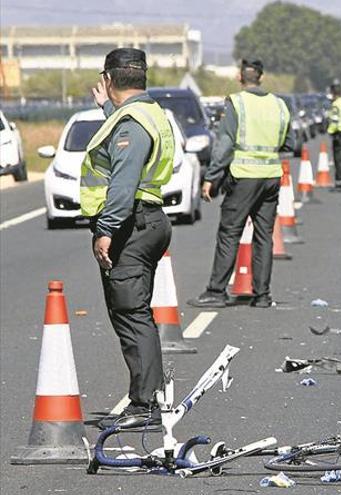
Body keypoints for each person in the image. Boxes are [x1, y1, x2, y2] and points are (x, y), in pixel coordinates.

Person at [81, 48, 174, 429]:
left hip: (131, 226)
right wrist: (108, 108)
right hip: (147, 221)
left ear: (108, 77)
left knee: (132, 316)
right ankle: (147, 396)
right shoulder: (144, 113)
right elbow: (126, 140)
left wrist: (106, 230)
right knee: (134, 314)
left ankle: (145, 403)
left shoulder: (132, 122)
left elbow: (123, 182)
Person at [188, 59, 294, 309]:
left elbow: (224, 145)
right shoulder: (279, 105)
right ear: (261, 77)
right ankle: (262, 295)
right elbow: (289, 143)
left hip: (244, 176)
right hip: (270, 177)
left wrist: (212, 177)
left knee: (229, 233)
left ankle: (216, 291)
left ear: (239, 77)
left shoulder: (237, 103)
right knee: (264, 236)